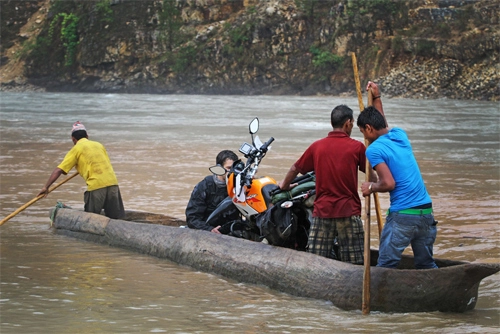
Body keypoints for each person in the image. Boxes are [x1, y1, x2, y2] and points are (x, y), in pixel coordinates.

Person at [357, 81, 438, 269]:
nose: (365, 138)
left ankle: (379, 298)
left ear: (368, 128)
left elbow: (388, 183)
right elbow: (381, 122)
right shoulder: (399, 135)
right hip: (426, 213)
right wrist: (376, 96)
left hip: (404, 215)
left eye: (363, 132)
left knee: (386, 263)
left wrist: (370, 187)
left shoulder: (374, 149)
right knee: (426, 263)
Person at [279, 105, 367, 264]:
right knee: (355, 262)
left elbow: (295, 168)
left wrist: (284, 185)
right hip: (348, 211)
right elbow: (371, 174)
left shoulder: (317, 146)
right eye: (353, 123)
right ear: (348, 123)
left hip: (322, 212)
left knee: (316, 261)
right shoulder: (357, 147)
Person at [38, 121, 125, 219]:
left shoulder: (76, 149)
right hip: (113, 183)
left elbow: (58, 170)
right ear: (87, 136)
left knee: (91, 219)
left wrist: (46, 187)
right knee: (116, 218)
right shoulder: (99, 145)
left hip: (96, 186)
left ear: (73, 139)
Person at [186, 150, 239, 233]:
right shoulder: (204, 186)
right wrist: (209, 229)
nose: (232, 172)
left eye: (234, 168)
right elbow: (192, 219)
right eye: (229, 168)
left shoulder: (240, 186)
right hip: (208, 231)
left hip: (231, 230)